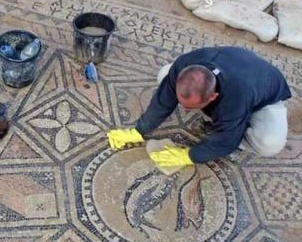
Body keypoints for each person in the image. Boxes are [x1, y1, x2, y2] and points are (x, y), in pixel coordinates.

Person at [107, 46, 291, 169]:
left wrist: (190, 156)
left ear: (213, 96)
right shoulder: (184, 64)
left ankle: (244, 127)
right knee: (165, 74)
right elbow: (162, 100)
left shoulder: (235, 97)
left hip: (263, 95)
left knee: (270, 143)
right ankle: (221, 116)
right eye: (184, 105)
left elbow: (226, 141)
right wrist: (139, 130)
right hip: (235, 70)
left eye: (191, 107)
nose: (185, 111)